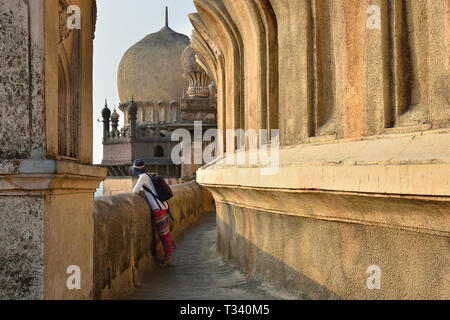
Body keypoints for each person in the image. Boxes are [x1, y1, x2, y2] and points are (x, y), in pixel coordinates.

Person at [129, 159, 176, 267]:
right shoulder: (149, 174)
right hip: (164, 205)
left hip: (158, 208)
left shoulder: (143, 177)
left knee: (163, 234)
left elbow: (134, 191)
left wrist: (141, 192)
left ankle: (168, 256)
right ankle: (172, 245)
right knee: (165, 231)